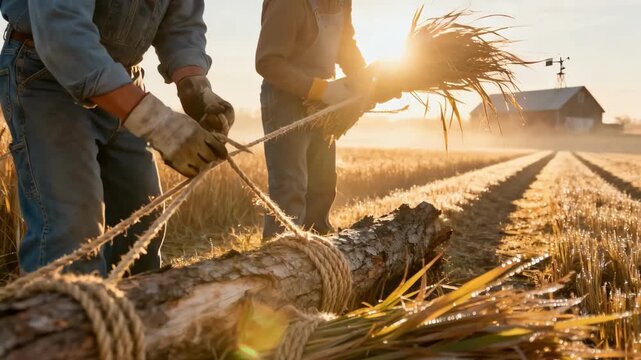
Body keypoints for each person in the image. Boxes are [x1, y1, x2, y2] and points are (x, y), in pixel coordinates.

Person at [0, 0, 234, 276]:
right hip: (47, 72)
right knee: (72, 234)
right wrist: (156, 123)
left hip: (123, 78)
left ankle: (130, 314)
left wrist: (194, 84)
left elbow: (181, 23)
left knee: (141, 223)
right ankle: (63, 315)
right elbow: (63, 31)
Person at [256, 0, 370, 239]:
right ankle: (280, 255)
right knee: (290, 186)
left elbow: (344, 44)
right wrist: (321, 90)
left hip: (324, 102)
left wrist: (367, 80)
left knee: (323, 184)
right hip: (284, 98)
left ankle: (316, 248)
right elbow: (268, 61)